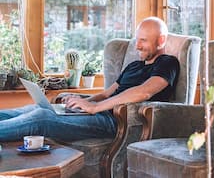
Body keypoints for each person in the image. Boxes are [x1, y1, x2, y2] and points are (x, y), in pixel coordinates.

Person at [0, 17, 179, 142]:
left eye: (144, 41)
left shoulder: (168, 63)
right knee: (35, 108)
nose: (137, 45)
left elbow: (144, 91)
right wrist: (81, 103)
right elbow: (107, 93)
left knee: (41, 117)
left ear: (161, 40)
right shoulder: (135, 65)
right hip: (99, 112)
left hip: (115, 121)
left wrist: (95, 107)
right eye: (137, 40)